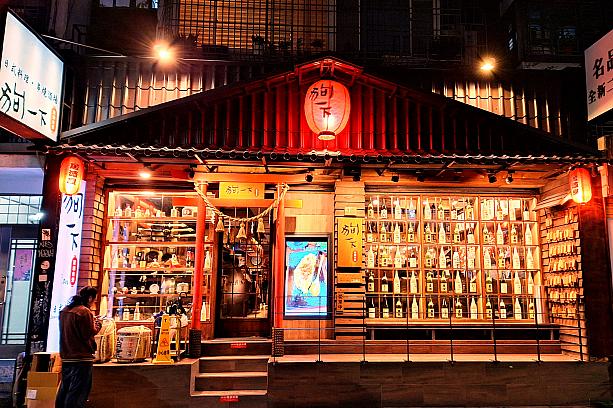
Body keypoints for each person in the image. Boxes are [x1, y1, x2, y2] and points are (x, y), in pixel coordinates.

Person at [55, 286, 102, 408]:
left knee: (65, 388)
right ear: (90, 298)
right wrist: (97, 325)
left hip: (66, 355)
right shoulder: (84, 312)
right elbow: (87, 334)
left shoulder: (65, 310)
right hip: (81, 357)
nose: (94, 302)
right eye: (94, 300)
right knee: (77, 392)